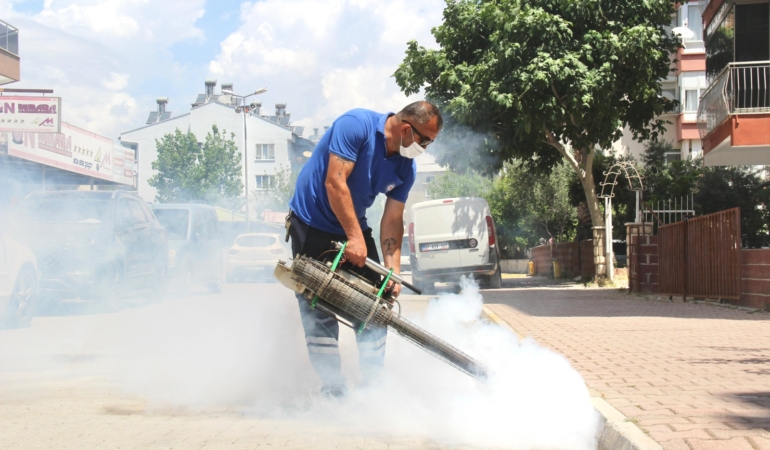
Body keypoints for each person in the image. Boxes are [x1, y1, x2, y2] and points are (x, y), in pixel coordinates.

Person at [287, 101, 442, 397]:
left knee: (376, 303)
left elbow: (393, 219)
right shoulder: (355, 125)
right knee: (318, 304)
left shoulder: (405, 168)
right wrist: (353, 239)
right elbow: (335, 183)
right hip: (311, 223)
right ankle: (333, 389)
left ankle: (373, 386)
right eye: (425, 140)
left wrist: (392, 272)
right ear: (407, 129)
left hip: (352, 225)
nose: (425, 148)